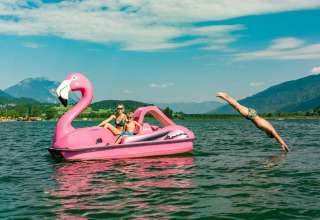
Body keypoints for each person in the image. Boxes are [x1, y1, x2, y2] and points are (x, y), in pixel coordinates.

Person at [216, 92, 290, 152]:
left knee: (237, 107)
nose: (266, 135)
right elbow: (277, 137)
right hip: (252, 115)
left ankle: (226, 96)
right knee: (238, 107)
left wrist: (281, 144)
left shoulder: (268, 128)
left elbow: (276, 137)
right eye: (268, 135)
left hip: (252, 115)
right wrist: (283, 144)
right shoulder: (270, 129)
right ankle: (223, 97)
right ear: (270, 134)